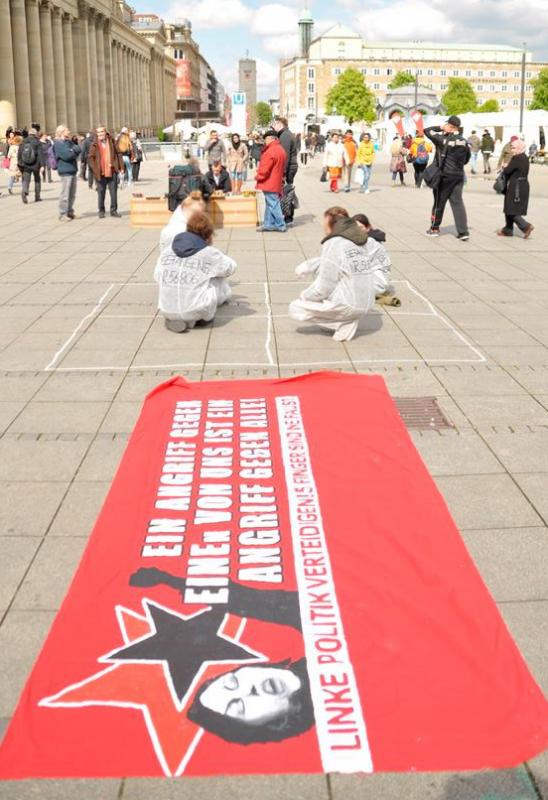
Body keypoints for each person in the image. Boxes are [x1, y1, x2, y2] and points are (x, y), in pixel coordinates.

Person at [129, 565, 314, 744]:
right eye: (237, 707)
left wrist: (170, 580)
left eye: (232, 682)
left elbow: (252, 600)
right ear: (268, 727)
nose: (249, 690)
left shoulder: (310, 625)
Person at [289, 206, 376, 342]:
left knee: (295, 308)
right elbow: (330, 262)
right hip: (369, 301)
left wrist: (306, 296)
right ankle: (343, 319)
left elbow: (325, 284)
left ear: (332, 224)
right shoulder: (360, 239)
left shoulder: (334, 242)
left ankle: (344, 321)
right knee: (331, 280)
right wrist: (308, 266)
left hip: (349, 304)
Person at [155, 211, 236, 333]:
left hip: (166, 308)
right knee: (216, 275)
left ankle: (177, 314)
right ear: (208, 235)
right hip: (198, 309)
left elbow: (157, 276)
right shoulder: (209, 253)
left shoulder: (167, 250)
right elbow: (231, 267)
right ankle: (195, 318)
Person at [425, 115, 470, 240]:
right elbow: (466, 159)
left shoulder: (442, 139)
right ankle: (463, 232)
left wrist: (440, 127)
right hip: (459, 175)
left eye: (447, 125)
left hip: (444, 176)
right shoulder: (464, 141)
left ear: (450, 126)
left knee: (439, 201)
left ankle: (434, 228)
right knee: (457, 202)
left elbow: (426, 131)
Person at [352, 213, 400, 305]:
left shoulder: (369, 242)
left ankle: (378, 296)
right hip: (376, 278)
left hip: (378, 282)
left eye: (361, 228)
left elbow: (356, 265)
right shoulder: (367, 238)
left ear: (367, 228)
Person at [497, 138, 533, 239]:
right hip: (522, 185)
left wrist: (504, 166)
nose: (512, 150)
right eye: (511, 148)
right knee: (510, 207)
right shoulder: (524, 157)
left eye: (514, 148)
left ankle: (525, 226)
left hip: (516, 186)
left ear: (519, 148)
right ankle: (508, 230)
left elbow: (508, 171)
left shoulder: (517, 158)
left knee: (510, 209)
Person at [88, 124, 123, 218]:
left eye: (102, 131)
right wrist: (95, 169)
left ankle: (113, 210)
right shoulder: (94, 144)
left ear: (105, 132)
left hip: (112, 171)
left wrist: (121, 167)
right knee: (101, 192)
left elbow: (118, 153)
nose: (100, 134)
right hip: (100, 172)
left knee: (113, 192)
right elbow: (90, 158)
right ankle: (101, 211)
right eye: (98, 132)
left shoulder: (112, 141)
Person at [255, 129, 287, 233]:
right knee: (270, 203)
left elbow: (265, 169)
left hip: (269, 181)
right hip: (276, 180)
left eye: (265, 139)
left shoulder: (270, 151)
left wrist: (258, 177)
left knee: (273, 203)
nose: (265, 142)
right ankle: (268, 224)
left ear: (269, 139)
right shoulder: (280, 149)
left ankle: (280, 224)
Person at [53, 125, 81, 222]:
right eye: (67, 130)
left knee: (72, 194)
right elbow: (67, 155)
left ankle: (70, 211)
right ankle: (62, 214)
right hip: (65, 171)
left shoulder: (68, 142)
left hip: (73, 170)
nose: (69, 131)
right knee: (65, 194)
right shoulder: (58, 143)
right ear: (61, 132)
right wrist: (72, 151)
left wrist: (72, 150)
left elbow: (78, 148)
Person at [273, 116, 298, 224]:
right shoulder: (285, 134)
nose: (274, 127)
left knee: (287, 193)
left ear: (280, 124)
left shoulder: (285, 135)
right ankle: (288, 216)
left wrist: (282, 172)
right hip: (290, 167)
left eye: (275, 124)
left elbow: (284, 156)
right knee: (287, 192)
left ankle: (288, 216)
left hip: (288, 168)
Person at [17, 126, 43, 204]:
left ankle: (24, 192)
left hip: (26, 164)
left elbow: (19, 153)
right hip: (36, 165)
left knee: (26, 180)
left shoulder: (23, 141)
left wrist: (20, 163)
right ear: (35, 134)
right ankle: (37, 196)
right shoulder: (37, 142)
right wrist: (42, 165)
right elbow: (40, 154)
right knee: (37, 180)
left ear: (29, 133)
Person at [6, 131, 22, 195]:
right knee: (21, 175)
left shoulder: (11, 147)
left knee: (11, 176)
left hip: (13, 163)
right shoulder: (20, 147)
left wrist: (6, 164)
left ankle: (10, 187)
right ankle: (23, 187)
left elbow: (8, 156)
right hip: (19, 163)